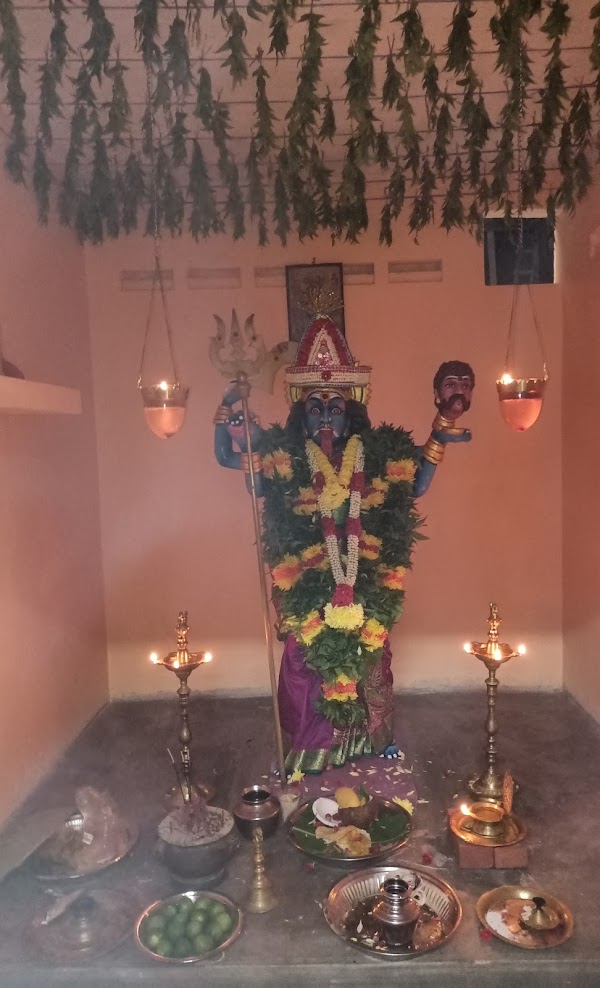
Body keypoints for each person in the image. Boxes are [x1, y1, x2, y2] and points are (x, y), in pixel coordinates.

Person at [214, 314, 474, 774]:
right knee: (306, 662)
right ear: (302, 414)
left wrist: (441, 429)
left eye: (335, 408)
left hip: (366, 576)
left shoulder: (375, 454)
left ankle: (372, 742)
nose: (326, 417)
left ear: (351, 413)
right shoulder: (285, 458)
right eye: (316, 408)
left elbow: (415, 483)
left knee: (371, 658)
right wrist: (229, 412)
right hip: (305, 579)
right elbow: (227, 456)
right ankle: (311, 749)